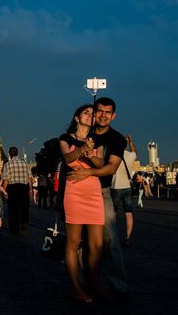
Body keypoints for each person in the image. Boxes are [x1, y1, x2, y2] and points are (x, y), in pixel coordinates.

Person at [67, 97, 128, 297]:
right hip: (75, 191)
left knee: (109, 239)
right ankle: (85, 283)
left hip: (101, 194)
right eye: (99, 111)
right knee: (79, 241)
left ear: (113, 116)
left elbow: (111, 167)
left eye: (107, 113)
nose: (102, 115)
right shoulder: (84, 130)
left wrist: (88, 173)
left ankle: (118, 286)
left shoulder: (117, 139)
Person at [60, 104, 105, 303]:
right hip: (74, 191)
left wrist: (90, 154)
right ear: (77, 118)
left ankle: (94, 284)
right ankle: (76, 288)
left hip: (94, 192)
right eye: (86, 113)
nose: (90, 116)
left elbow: (100, 164)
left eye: (92, 114)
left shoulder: (97, 141)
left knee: (96, 244)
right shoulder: (66, 138)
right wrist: (81, 150)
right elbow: (68, 159)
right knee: (74, 242)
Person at [111, 135, 138, 246]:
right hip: (127, 187)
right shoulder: (130, 156)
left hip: (115, 186)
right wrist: (131, 141)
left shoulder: (113, 156)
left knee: (113, 214)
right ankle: (128, 236)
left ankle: (113, 236)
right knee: (128, 214)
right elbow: (134, 151)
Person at [1, 146, 32, 235]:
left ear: (10, 155)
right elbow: (29, 177)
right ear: (17, 154)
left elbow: (6, 180)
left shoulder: (7, 164)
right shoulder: (24, 163)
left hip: (12, 188)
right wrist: (30, 189)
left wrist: (4, 191)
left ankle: (14, 229)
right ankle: (24, 222)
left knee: (13, 209)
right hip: (24, 187)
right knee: (24, 207)